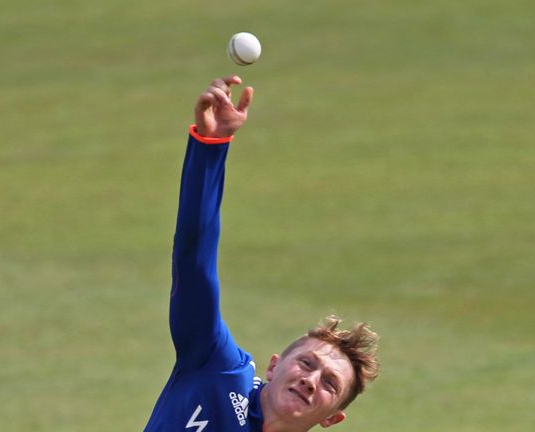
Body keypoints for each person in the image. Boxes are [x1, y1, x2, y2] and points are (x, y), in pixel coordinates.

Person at [144, 76, 379, 431]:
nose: (311, 381)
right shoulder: (218, 368)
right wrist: (211, 146)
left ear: (331, 418)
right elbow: (194, 263)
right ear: (273, 367)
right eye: (306, 363)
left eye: (330, 383)